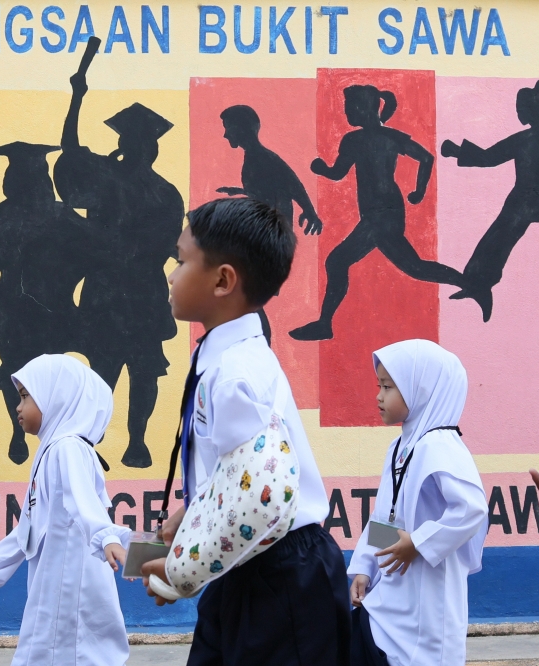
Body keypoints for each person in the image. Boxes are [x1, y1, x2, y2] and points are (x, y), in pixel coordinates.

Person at [143, 197, 350, 665]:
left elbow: (264, 493)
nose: (171, 273)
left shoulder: (235, 374)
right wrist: (190, 514)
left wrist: (182, 572)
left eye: (180, 260)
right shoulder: (225, 359)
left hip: (279, 575)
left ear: (223, 280)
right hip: (248, 564)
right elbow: (235, 468)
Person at [0, 354, 131, 666]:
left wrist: (107, 536)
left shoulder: (67, 447)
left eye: (26, 396)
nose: (18, 406)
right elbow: (26, 531)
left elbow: (85, 503)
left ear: (59, 399)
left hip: (69, 590)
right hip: (53, 587)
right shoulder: (51, 451)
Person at [55, 70, 185, 468]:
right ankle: (123, 442)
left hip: (123, 287)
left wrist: (77, 98)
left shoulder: (130, 182)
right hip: (128, 288)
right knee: (120, 369)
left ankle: (129, 442)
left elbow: (71, 153)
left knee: (128, 370)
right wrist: (76, 97)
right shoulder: (155, 189)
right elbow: (71, 155)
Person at [290, 85, 471, 341]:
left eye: (350, 107)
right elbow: (426, 159)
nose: (346, 112)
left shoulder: (358, 139)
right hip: (386, 211)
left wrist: (320, 168)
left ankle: (324, 325)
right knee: (413, 266)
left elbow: (338, 173)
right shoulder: (383, 138)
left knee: (340, 261)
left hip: (380, 216)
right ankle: (470, 283)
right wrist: (418, 192)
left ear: (365, 109)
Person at [349, 339, 488, 666]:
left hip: (426, 608)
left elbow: (472, 508)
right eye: (379, 385)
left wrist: (419, 543)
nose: (378, 396)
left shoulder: (440, 445)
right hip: (389, 604)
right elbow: (386, 518)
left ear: (420, 389)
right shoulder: (401, 447)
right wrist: (364, 567)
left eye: (388, 387)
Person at [0, 141, 92, 464]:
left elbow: (94, 246)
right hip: (12, 307)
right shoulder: (8, 212)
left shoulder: (57, 212)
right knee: (18, 372)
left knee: (39, 371)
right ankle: (20, 430)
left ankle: (54, 427)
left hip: (50, 306)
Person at [216, 104, 324, 344]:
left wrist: (310, 211)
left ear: (242, 128)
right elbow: (269, 193)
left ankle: (259, 349)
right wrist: (241, 192)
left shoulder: (261, 157)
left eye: (228, 128)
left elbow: (292, 184)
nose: (225, 134)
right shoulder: (256, 158)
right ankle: (257, 348)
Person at [441, 81, 539, 322]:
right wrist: (457, 151)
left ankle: (478, 284)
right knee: (496, 239)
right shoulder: (523, 139)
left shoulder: (525, 139)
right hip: (524, 199)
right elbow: (489, 157)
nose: (519, 113)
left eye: (522, 109)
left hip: (525, 200)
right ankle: (478, 285)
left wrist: (455, 151)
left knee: (496, 239)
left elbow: (488, 158)